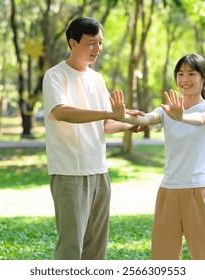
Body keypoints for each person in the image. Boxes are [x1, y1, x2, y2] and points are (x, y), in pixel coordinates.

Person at [42, 16, 142, 260]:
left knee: (97, 247)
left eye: (100, 43)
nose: (97, 49)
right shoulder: (55, 76)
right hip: (69, 172)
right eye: (91, 43)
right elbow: (61, 112)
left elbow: (106, 124)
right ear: (73, 43)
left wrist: (127, 125)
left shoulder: (97, 79)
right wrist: (110, 112)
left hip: (99, 171)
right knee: (71, 247)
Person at [112, 53, 205, 260]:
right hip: (168, 191)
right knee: (163, 256)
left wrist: (182, 116)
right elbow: (146, 118)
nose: (185, 79)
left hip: (197, 189)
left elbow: (200, 119)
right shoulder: (166, 111)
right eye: (180, 74)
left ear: (204, 77)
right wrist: (121, 116)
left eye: (191, 73)